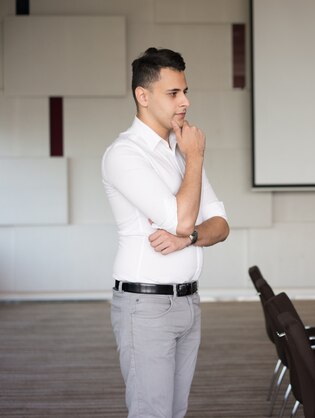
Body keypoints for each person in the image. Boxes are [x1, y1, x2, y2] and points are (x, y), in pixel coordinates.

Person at [101, 47, 229, 418]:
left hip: (188, 303)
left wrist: (188, 239)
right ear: (143, 96)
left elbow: (220, 225)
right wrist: (197, 159)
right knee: (151, 413)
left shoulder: (180, 151)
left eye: (185, 91)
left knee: (174, 412)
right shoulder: (124, 154)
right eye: (173, 93)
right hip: (146, 307)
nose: (185, 102)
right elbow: (183, 220)